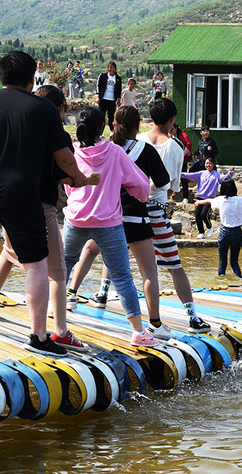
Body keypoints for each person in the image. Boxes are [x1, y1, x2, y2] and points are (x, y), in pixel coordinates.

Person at [0, 51, 93, 357]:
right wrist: (79, 177)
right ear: (31, 78)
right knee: (35, 262)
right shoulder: (43, 108)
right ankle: (39, 336)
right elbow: (64, 158)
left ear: (2, 76)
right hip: (21, 192)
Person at [0, 85, 94, 353]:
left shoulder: (18, 128)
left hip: (9, 202)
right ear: (60, 108)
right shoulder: (55, 133)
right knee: (56, 269)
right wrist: (84, 180)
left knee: (9, 251)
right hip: (42, 206)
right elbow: (60, 172)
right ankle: (60, 331)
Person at [64, 105, 176, 340]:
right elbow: (142, 186)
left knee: (63, 266)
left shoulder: (73, 151)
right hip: (114, 221)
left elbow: (69, 184)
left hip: (77, 219)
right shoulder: (118, 153)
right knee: (129, 275)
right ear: (103, 127)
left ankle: (61, 306)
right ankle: (142, 329)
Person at [137, 98, 210, 333]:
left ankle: (101, 293)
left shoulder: (136, 141)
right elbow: (171, 188)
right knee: (174, 266)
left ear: (150, 117)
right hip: (157, 212)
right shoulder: (176, 147)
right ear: (172, 120)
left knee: (117, 258)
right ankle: (192, 318)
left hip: (131, 210)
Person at [184, 158, 234, 238]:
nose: (208, 165)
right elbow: (189, 175)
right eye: (207, 163)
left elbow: (224, 179)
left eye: (210, 163)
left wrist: (230, 173)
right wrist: (179, 173)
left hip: (210, 199)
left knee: (203, 214)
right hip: (199, 198)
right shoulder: (201, 173)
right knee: (197, 214)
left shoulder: (216, 174)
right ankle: (201, 233)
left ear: (213, 165)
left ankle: (209, 226)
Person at [96, 61, 121, 131]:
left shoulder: (118, 78)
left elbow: (119, 89)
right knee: (101, 116)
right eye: (110, 67)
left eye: (113, 68)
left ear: (115, 69)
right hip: (103, 99)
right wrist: (98, 97)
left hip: (112, 100)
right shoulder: (102, 76)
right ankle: (100, 131)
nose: (112, 69)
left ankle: (112, 131)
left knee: (111, 116)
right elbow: (98, 86)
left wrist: (119, 100)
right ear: (108, 68)